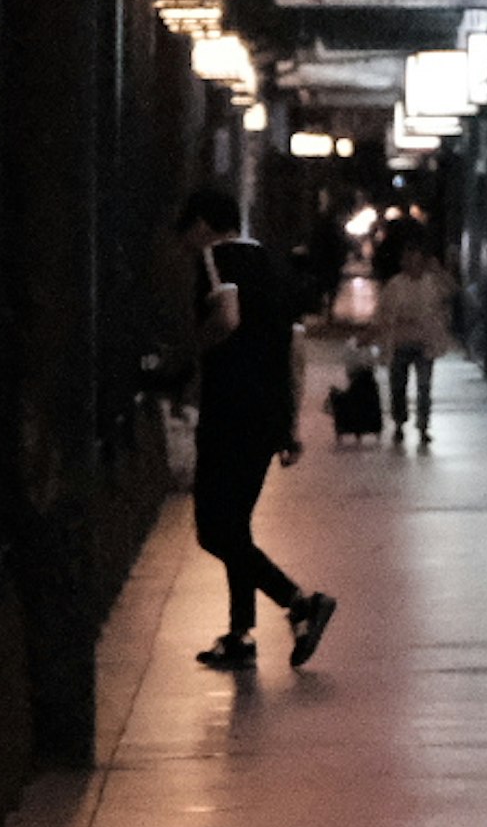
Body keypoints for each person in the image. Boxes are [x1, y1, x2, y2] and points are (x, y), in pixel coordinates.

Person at [174, 190, 337, 671]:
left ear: (202, 225)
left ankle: (298, 602)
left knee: (213, 530)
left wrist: (196, 353)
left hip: (229, 412)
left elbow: (227, 317)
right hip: (267, 416)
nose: (186, 246)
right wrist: (290, 425)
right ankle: (240, 634)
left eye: (187, 235)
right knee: (236, 527)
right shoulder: (271, 264)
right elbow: (295, 348)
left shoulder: (214, 258)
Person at [372, 231, 459, 451]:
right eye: (408, 259)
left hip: (425, 343)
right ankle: (400, 422)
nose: (412, 263)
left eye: (416, 259)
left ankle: (422, 426)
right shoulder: (395, 285)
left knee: (423, 386)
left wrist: (439, 271)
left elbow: (452, 291)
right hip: (401, 342)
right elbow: (382, 313)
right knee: (398, 386)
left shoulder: (432, 283)